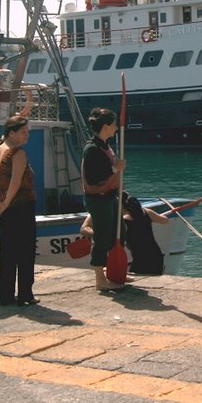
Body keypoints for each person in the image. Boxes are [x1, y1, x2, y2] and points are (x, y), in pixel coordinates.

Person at [0, 115, 38, 307]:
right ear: (12, 133)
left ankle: (6, 295)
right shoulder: (17, 153)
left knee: (8, 252)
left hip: (6, 209)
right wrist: (6, 203)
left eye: (28, 132)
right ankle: (25, 293)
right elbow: (16, 182)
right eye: (23, 132)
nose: (27, 136)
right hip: (21, 207)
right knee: (25, 251)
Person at [81, 107, 126, 291]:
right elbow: (93, 177)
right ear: (106, 126)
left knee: (120, 230)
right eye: (114, 124)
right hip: (98, 199)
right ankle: (100, 279)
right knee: (102, 236)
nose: (116, 128)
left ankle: (114, 270)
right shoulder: (92, 149)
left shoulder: (105, 145)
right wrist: (116, 169)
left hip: (110, 196)